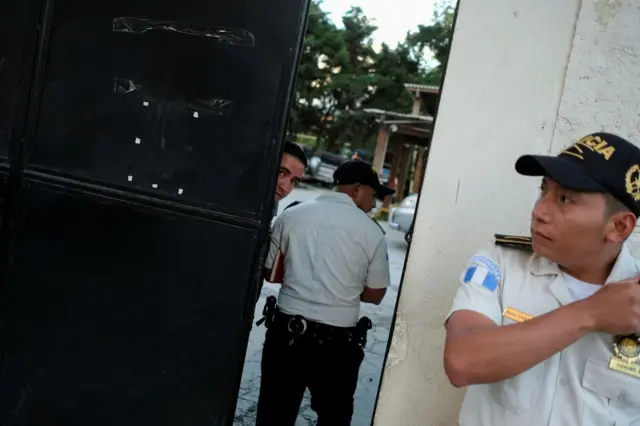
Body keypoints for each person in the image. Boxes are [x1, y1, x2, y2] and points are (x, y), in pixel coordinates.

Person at [444, 132, 640, 426]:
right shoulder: (501, 263)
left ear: (619, 226)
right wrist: (591, 314)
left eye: (564, 199)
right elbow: (462, 361)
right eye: (543, 189)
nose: (538, 211)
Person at [255, 160, 395, 426]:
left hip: (287, 334)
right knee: (334, 418)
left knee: (273, 416)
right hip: (337, 344)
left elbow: (271, 273)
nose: (374, 205)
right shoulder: (372, 233)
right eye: (373, 195)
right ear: (355, 190)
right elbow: (376, 295)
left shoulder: (292, 215)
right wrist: (348, 289)